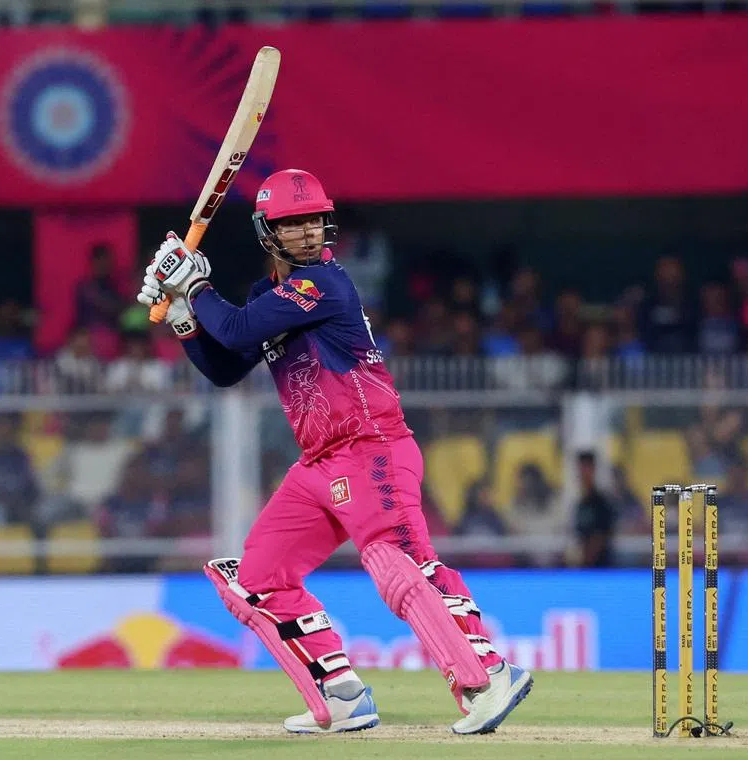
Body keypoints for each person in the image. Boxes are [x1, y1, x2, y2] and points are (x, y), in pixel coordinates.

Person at [135, 169, 532, 735]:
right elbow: (225, 366)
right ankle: (342, 693)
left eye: (314, 220)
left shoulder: (326, 283)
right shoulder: (267, 296)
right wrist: (181, 315)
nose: (307, 232)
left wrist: (193, 286)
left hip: (372, 447)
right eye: (291, 223)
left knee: (400, 562)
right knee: (261, 577)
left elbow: (241, 329)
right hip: (320, 462)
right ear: (267, 232)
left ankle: (489, 675)